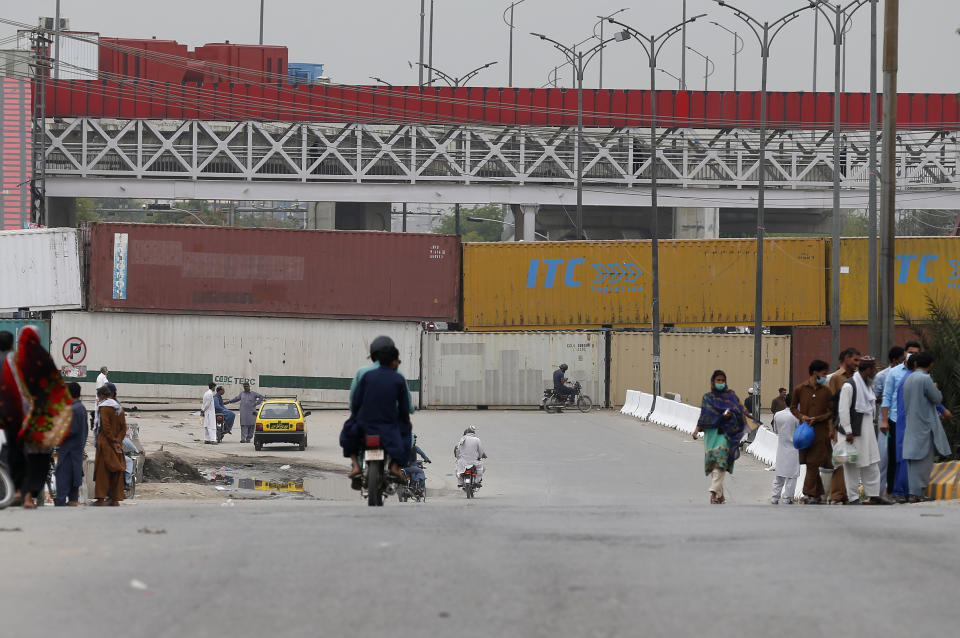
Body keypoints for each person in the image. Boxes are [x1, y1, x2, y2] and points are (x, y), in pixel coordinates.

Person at [342, 336, 415, 482]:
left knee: (348, 432)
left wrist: (356, 416)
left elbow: (354, 402)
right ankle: (395, 466)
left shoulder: (364, 373)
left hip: (365, 423)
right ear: (394, 359)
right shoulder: (398, 376)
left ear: (374, 355)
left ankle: (356, 465)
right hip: (390, 424)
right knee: (408, 437)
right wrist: (406, 419)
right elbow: (406, 406)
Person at [901, 352, 952, 503]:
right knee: (923, 461)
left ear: (916, 364)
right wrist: (936, 388)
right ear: (930, 365)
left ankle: (913, 492)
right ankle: (917, 494)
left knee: (913, 461)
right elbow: (936, 398)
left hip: (912, 424)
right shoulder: (925, 378)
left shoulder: (909, 378)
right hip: (924, 426)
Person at [836, 357, 887, 505]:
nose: (876, 371)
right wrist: (848, 431)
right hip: (852, 432)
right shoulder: (849, 385)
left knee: (871, 463)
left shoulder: (867, 385)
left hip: (868, 431)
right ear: (868, 370)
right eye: (874, 369)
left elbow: (867, 404)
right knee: (851, 464)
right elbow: (843, 410)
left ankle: (874, 495)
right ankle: (853, 498)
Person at [693, 370, 747, 505]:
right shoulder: (707, 398)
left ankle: (713, 492)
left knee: (721, 463)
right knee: (714, 466)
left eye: (723, 380)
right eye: (718, 380)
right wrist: (697, 430)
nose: (721, 383)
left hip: (725, 435)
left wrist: (731, 416)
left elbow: (740, 414)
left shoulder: (731, 396)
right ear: (713, 381)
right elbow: (704, 416)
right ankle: (720, 496)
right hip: (711, 435)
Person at [790, 360, 834, 504]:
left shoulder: (826, 391)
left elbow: (831, 411)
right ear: (815, 373)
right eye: (823, 373)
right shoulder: (800, 389)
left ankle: (807, 494)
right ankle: (819, 494)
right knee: (810, 462)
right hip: (804, 433)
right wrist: (802, 416)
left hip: (821, 432)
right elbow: (793, 408)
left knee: (812, 462)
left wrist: (819, 418)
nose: (825, 377)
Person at [881, 340, 921, 495]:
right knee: (894, 456)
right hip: (895, 419)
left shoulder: (921, 372)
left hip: (915, 421)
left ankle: (910, 489)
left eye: (917, 353)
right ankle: (892, 490)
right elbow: (887, 397)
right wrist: (884, 420)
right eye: (911, 352)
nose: (913, 355)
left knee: (913, 456)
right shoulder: (895, 372)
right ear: (905, 353)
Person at [827, 348, 862, 504]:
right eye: (854, 360)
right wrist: (831, 428)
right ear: (845, 359)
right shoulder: (836, 378)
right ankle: (836, 495)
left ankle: (849, 494)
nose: (857, 363)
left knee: (852, 462)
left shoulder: (858, 378)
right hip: (839, 426)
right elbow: (831, 405)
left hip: (855, 427)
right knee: (840, 461)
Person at [874, 346, 906, 495]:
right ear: (895, 360)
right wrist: (892, 394)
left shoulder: (908, 373)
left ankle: (895, 490)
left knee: (898, 456)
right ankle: (879, 492)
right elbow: (875, 397)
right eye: (902, 358)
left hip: (900, 419)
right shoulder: (882, 376)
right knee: (884, 457)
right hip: (885, 420)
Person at [55, 382, 88, 506]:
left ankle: (61, 503)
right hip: (77, 450)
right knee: (75, 478)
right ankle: (73, 501)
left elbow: (69, 430)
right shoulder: (81, 408)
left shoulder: (73, 409)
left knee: (63, 478)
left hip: (68, 451)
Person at [93, 385, 125, 505]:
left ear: (102, 395)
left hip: (105, 443)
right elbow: (123, 428)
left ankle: (101, 499)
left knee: (102, 472)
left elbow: (105, 427)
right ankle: (115, 499)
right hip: (117, 444)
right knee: (116, 472)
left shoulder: (104, 408)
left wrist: (112, 441)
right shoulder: (119, 408)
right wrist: (118, 441)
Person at [771, 398, 799, 504]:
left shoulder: (777, 415)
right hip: (794, 449)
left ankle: (774, 497)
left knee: (779, 475)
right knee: (792, 476)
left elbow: (776, 430)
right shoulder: (797, 416)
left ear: (785, 402)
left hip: (781, 447)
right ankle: (787, 498)